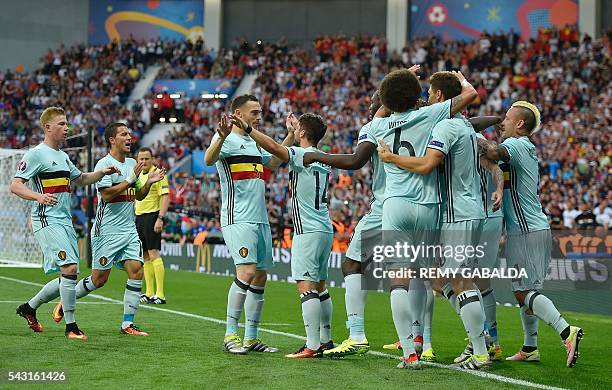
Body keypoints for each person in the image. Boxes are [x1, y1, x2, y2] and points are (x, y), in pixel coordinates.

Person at [379, 71, 502, 370]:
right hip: (466, 209)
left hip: (457, 212)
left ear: (440, 97)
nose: (428, 96)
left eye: (432, 92)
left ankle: (481, 351)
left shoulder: (446, 127)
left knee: (461, 280)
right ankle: (480, 343)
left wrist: (392, 158)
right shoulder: (466, 129)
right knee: (439, 278)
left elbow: (427, 164)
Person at [478, 101, 584, 367]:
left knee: (523, 292)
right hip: (531, 229)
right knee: (524, 291)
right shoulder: (521, 148)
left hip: (526, 231)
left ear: (520, 124)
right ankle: (530, 347)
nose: (502, 122)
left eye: (507, 118)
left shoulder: (518, 145)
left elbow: (492, 151)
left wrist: (465, 131)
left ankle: (565, 330)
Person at [12, 106, 119, 339]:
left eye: (67, 123)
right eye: (61, 124)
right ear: (48, 127)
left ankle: (29, 308)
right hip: (46, 219)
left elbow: (81, 179)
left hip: (64, 221)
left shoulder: (63, 157)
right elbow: (16, 185)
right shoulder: (35, 154)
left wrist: (101, 173)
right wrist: (39, 196)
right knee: (69, 269)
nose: (67, 128)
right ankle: (71, 327)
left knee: (67, 275)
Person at [53, 122, 166, 336]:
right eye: (124, 134)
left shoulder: (132, 162)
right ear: (112, 140)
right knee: (99, 280)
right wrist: (130, 180)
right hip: (106, 231)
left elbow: (137, 195)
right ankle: (65, 300)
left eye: (130, 134)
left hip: (128, 230)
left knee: (136, 271)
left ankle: (127, 324)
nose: (129, 137)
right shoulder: (103, 164)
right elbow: (106, 195)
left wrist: (148, 182)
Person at [241, 112, 334, 358]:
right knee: (321, 287)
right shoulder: (321, 157)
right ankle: (325, 340)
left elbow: (274, 149)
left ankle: (312, 345)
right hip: (325, 228)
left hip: (308, 230)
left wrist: (249, 130)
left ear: (303, 133)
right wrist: (293, 131)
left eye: (298, 128)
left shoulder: (301, 155)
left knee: (306, 286)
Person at [204, 94, 288, 354]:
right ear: (238, 114)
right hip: (237, 216)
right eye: (254, 112)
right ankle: (231, 335)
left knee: (261, 275)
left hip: (260, 218)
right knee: (247, 272)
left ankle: (251, 338)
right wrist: (220, 136)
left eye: (259, 111)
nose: (258, 116)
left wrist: (291, 136)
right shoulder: (226, 139)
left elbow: (275, 161)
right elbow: (209, 159)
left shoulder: (254, 141)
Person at [135, 147, 170, 304]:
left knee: (154, 253)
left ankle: (160, 294)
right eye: (141, 159)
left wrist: (160, 218)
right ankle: (149, 292)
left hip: (152, 216)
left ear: (152, 158)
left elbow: (165, 197)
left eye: (146, 159)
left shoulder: (158, 174)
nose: (143, 161)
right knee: (145, 256)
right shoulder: (139, 175)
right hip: (139, 218)